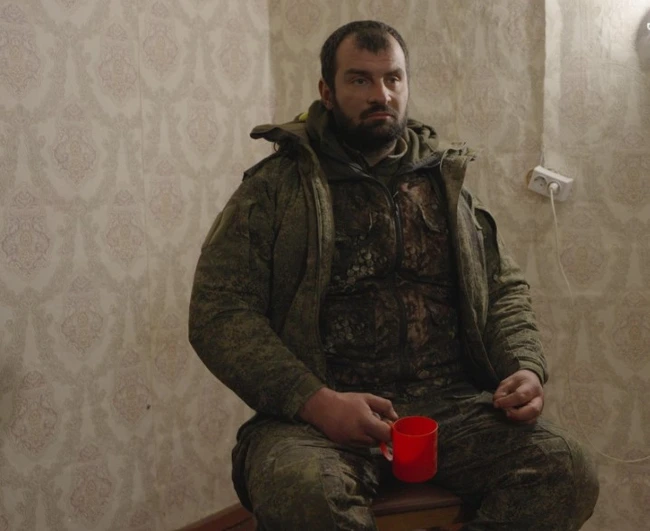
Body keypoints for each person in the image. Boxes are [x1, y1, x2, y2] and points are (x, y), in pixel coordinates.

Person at [189, 20, 599, 531]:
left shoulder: (446, 184)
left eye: (393, 79)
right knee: (305, 494)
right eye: (360, 79)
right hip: (315, 421)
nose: (380, 94)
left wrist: (525, 368)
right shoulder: (274, 189)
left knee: (567, 469)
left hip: (448, 408)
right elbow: (219, 313)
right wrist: (316, 402)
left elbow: (502, 289)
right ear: (327, 92)